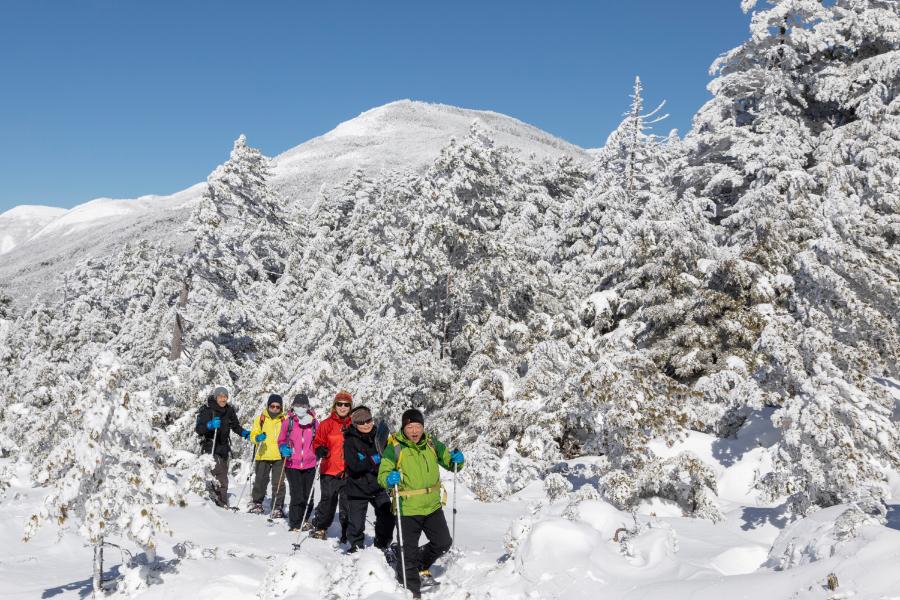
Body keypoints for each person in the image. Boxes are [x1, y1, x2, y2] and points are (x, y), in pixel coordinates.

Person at [378, 408, 464, 600]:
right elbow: (382, 474)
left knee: (443, 542)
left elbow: (450, 462)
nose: (415, 431)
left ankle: (419, 563)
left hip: (432, 506)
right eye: (410, 427)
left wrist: (458, 460)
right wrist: (388, 478)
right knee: (407, 551)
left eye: (418, 426)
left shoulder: (431, 444)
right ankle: (412, 590)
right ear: (404, 428)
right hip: (407, 508)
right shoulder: (395, 447)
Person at [343, 405, 395, 553]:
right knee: (356, 524)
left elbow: (389, 456)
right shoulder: (350, 441)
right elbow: (354, 466)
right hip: (357, 488)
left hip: (378, 486)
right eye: (361, 422)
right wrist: (373, 460)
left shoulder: (379, 437)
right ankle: (356, 547)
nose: (366, 424)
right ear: (354, 424)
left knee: (388, 516)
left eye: (368, 420)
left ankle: (382, 543)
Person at [309, 389, 353, 542]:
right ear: (335, 406)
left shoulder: (353, 424)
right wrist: (320, 448)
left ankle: (347, 532)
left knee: (347, 504)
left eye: (346, 405)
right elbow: (317, 441)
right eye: (339, 404)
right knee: (328, 501)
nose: (343, 407)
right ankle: (320, 527)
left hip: (349, 471)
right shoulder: (327, 424)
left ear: (350, 407)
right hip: (329, 469)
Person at [195, 386, 250, 507]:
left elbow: (236, 427)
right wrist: (210, 425)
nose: (223, 399)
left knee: (221, 473)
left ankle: (214, 497)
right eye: (220, 396)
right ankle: (222, 503)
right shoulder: (208, 410)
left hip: (223, 448)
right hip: (210, 446)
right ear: (215, 397)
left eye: (225, 397)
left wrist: (245, 434)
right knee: (221, 477)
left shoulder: (229, 411)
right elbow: (198, 429)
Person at [278, 393, 319, 531]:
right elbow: (281, 439)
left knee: (308, 495)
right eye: (298, 405)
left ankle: (304, 519)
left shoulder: (313, 423)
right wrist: (283, 448)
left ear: (308, 407)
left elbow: (319, 441)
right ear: (293, 406)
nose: (301, 408)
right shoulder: (288, 422)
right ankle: (295, 523)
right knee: (297, 494)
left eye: (304, 405)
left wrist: (320, 450)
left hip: (310, 464)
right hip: (292, 464)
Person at [247, 393, 288, 517]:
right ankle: (257, 503)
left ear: (281, 408)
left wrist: (287, 447)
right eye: (272, 406)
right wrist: (257, 438)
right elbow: (253, 435)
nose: (275, 409)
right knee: (260, 480)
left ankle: (277, 506)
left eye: (277, 407)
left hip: (278, 455)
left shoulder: (284, 420)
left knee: (279, 482)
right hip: (263, 454)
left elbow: (289, 435)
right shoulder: (260, 418)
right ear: (268, 406)